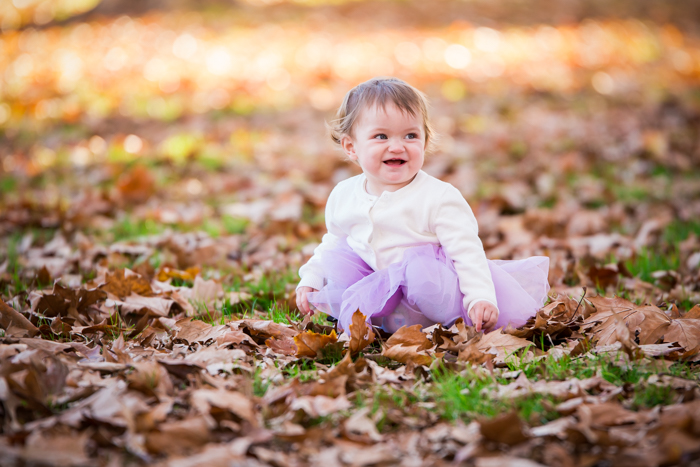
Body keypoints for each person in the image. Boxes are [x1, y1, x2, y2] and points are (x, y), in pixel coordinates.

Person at [295, 77, 549, 335]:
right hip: (375, 281)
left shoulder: (439, 197)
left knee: (419, 274)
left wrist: (480, 296)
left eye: (411, 135)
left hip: (433, 292)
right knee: (344, 259)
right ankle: (379, 321)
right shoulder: (344, 194)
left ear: (425, 142)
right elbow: (333, 243)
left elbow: (466, 251)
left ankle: (436, 325)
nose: (397, 146)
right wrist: (312, 277)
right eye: (381, 136)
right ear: (351, 147)